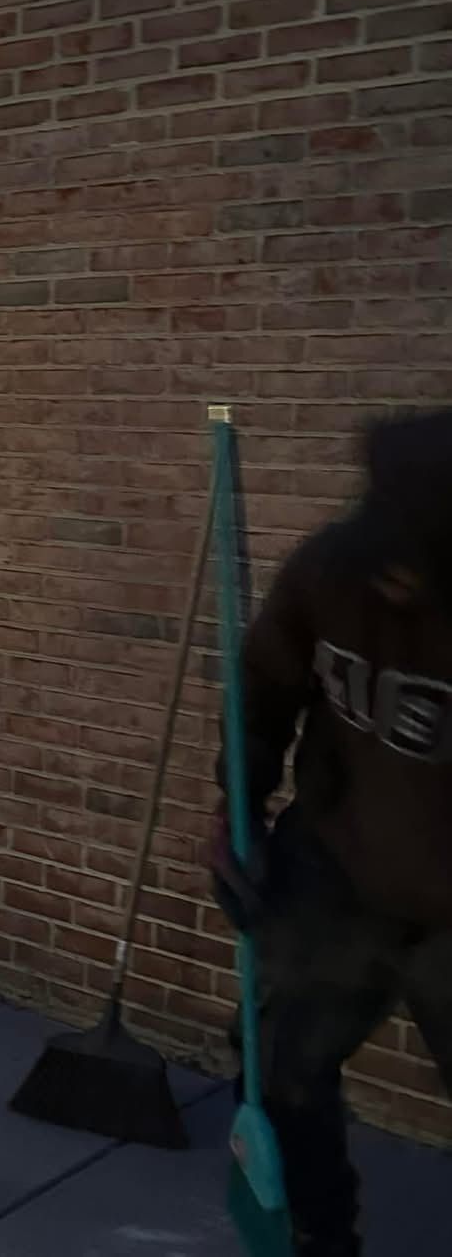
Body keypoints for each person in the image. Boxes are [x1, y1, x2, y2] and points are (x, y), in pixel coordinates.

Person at [210, 408, 452, 1257]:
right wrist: (234, 812)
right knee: (280, 1069)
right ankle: (318, 1237)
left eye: (412, 562)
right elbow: (263, 689)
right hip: (336, 876)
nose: (391, 580)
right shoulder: (331, 571)